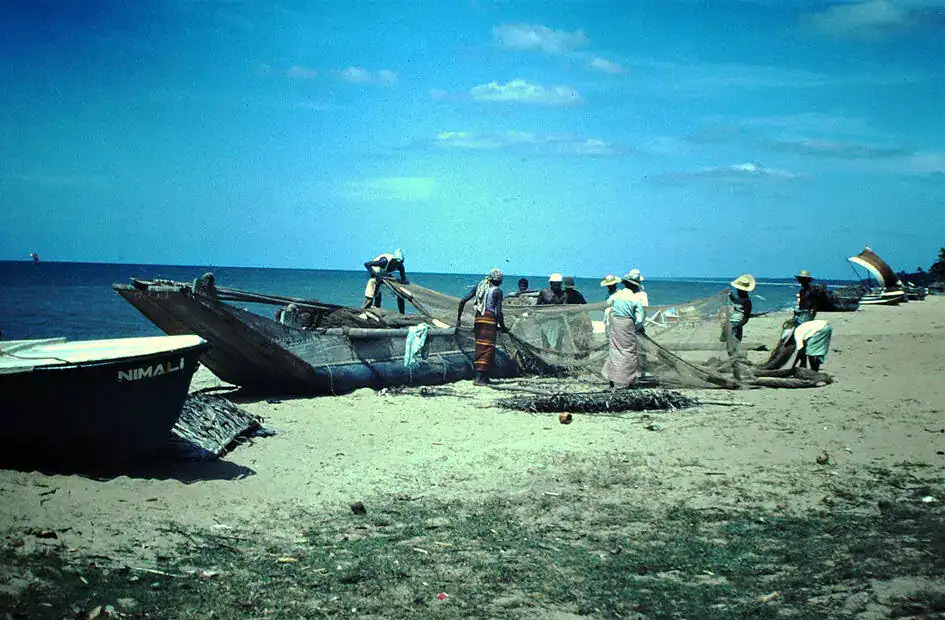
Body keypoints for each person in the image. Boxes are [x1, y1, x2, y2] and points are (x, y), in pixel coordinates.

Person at [456, 268, 508, 385]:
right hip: (489, 321)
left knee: (480, 346)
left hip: (478, 319)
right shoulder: (497, 291)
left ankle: (484, 377)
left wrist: (458, 319)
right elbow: (499, 312)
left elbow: (463, 300)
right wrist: (503, 326)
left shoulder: (480, 287)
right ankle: (478, 378)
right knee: (487, 348)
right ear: (499, 281)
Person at [602, 272, 647, 388]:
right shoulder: (635, 298)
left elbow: (607, 305)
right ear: (635, 286)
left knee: (614, 350)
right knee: (629, 351)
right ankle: (628, 379)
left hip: (615, 323)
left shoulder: (617, 295)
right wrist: (635, 328)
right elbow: (639, 319)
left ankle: (612, 378)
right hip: (628, 324)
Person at [363, 249, 407, 314]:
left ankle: (402, 314)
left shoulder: (400, 266)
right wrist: (377, 275)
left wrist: (402, 287)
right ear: (393, 260)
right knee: (373, 287)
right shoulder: (384, 261)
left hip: (384, 274)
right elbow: (367, 264)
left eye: (400, 263)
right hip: (374, 272)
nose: (397, 264)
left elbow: (403, 279)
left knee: (399, 292)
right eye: (396, 262)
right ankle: (366, 309)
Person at [726, 274, 755, 352]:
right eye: (738, 289)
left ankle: (736, 359)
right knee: (729, 346)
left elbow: (746, 317)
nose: (738, 291)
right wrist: (730, 294)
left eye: (740, 290)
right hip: (731, 323)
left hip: (737, 326)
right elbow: (735, 301)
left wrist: (738, 325)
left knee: (735, 344)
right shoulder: (739, 298)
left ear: (745, 291)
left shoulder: (747, 301)